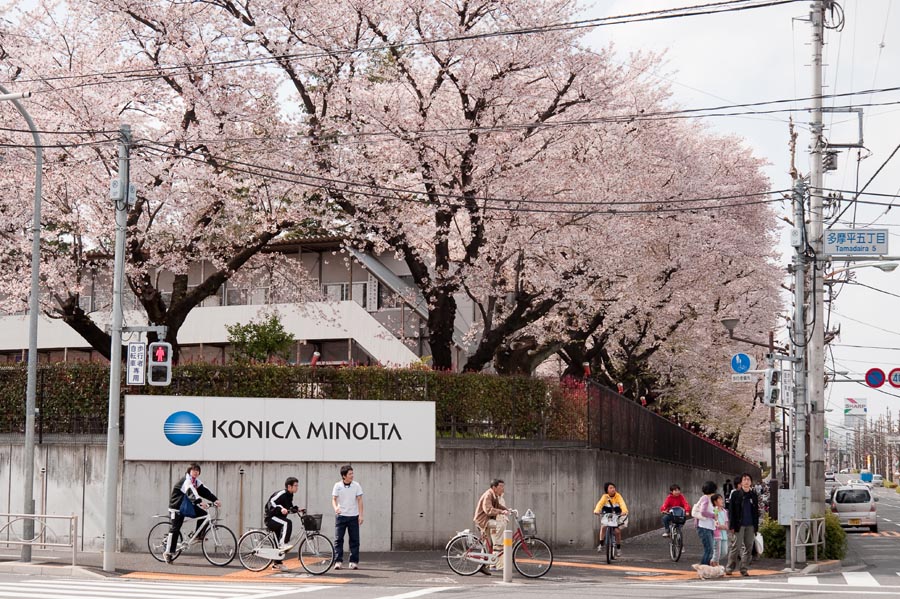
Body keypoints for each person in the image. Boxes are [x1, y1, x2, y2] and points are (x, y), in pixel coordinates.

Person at [164, 463, 220, 564]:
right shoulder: (187, 481)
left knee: (203, 515)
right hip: (177, 507)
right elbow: (191, 492)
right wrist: (200, 502)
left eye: (198, 470)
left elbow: (204, 491)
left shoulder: (196, 481)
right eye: (194, 470)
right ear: (189, 471)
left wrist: (215, 500)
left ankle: (198, 536)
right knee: (175, 529)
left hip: (186, 506)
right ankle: (168, 553)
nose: (196, 472)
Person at [725, 473, 760, 577]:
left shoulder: (753, 494)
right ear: (741, 482)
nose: (746, 481)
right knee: (736, 546)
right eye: (744, 479)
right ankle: (730, 567)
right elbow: (731, 511)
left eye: (748, 479)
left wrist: (756, 526)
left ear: (751, 482)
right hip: (739, 525)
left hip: (750, 525)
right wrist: (732, 525)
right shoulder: (736, 494)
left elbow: (755, 511)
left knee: (749, 547)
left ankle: (743, 569)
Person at [473, 479, 510, 575]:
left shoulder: (494, 495)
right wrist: (502, 512)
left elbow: (498, 505)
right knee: (501, 524)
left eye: (503, 486)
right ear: (494, 487)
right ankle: (498, 545)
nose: (503, 488)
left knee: (486, 544)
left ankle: (482, 565)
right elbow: (488, 510)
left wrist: (507, 510)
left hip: (487, 520)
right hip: (483, 521)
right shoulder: (488, 495)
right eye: (500, 486)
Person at [332, 464, 364, 571]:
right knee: (338, 540)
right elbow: (334, 499)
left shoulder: (356, 485)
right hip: (341, 516)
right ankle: (338, 561)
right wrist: (336, 507)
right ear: (344, 476)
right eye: (350, 474)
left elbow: (360, 500)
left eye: (352, 473)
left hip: (353, 516)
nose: (352, 475)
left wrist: (361, 515)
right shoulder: (337, 485)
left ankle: (353, 562)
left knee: (355, 540)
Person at [266, 477, 301, 571]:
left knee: (277, 540)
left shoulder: (290, 495)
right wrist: (280, 509)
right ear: (289, 486)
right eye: (295, 485)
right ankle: (283, 544)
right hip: (271, 518)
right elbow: (271, 502)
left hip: (278, 519)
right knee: (287, 523)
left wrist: (296, 509)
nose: (297, 487)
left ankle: (277, 564)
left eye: (297, 485)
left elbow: (289, 507)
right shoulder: (282, 493)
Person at [593, 482, 628, 557]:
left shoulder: (618, 496)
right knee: (603, 527)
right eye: (610, 488)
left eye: (613, 487)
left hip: (616, 514)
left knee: (617, 532)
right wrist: (596, 510)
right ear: (607, 490)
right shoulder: (604, 497)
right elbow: (600, 504)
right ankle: (601, 544)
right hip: (607, 514)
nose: (613, 489)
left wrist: (624, 511)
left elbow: (622, 504)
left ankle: (618, 549)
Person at [694, 481, 717, 566]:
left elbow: (714, 509)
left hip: (709, 526)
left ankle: (704, 567)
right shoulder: (705, 498)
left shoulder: (711, 499)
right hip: (704, 527)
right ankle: (703, 568)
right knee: (709, 549)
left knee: (709, 549)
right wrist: (713, 515)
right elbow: (703, 511)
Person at [711, 493, 729, 567]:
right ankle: (715, 564)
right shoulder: (715, 510)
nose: (722, 500)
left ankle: (712, 561)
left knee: (724, 552)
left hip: (724, 534)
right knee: (717, 552)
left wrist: (725, 527)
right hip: (717, 534)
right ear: (715, 502)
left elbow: (726, 523)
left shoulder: (724, 511)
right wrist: (720, 526)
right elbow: (715, 520)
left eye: (722, 498)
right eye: (719, 499)